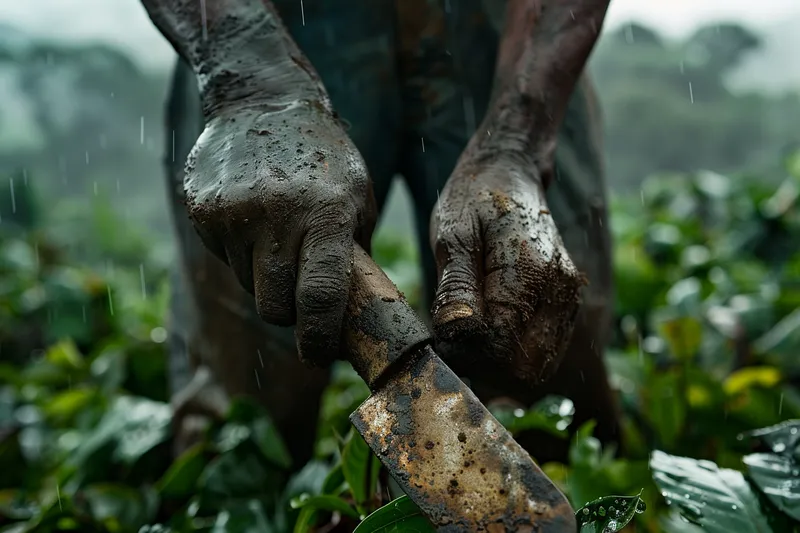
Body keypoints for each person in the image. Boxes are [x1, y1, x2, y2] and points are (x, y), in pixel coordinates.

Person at [142, 0, 620, 468]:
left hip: (508, 25)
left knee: (535, 338)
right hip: (262, 20)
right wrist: (254, 89)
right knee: (249, 395)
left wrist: (519, 138)